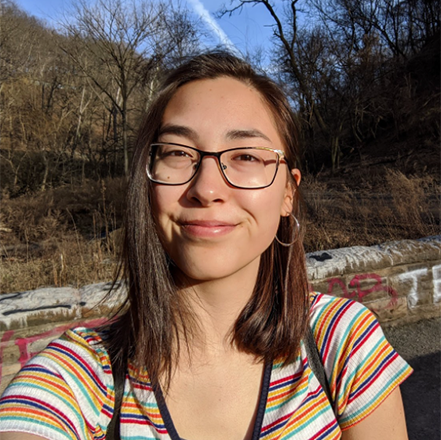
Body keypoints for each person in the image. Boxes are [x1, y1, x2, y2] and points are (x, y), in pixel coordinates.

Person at [0, 51, 411, 440]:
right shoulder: (80, 376)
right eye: (178, 152)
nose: (206, 188)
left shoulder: (342, 339)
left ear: (289, 193)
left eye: (247, 156)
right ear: (147, 183)